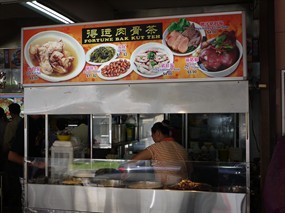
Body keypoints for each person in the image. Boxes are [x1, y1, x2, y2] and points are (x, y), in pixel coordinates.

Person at [6, 115, 45, 211]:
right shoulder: (26, 124)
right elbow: (12, 156)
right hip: (21, 174)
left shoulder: (40, 121)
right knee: (26, 206)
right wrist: (35, 164)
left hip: (31, 174)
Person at [131, 121, 189, 186]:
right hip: (183, 187)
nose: (152, 138)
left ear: (158, 133)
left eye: (152, 135)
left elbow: (134, 160)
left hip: (168, 189)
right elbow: (189, 170)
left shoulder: (156, 147)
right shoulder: (181, 147)